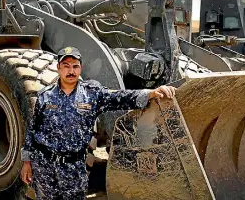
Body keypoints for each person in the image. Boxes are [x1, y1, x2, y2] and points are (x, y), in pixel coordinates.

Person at [20, 46, 176, 199]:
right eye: (66, 66)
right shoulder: (44, 96)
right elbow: (33, 131)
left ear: (81, 69)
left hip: (74, 168)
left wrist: (150, 93)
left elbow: (121, 98)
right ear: (58, 68)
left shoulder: (92, 94)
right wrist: (26, 162)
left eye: (75, 66)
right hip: (45, 166)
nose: (71, 71)